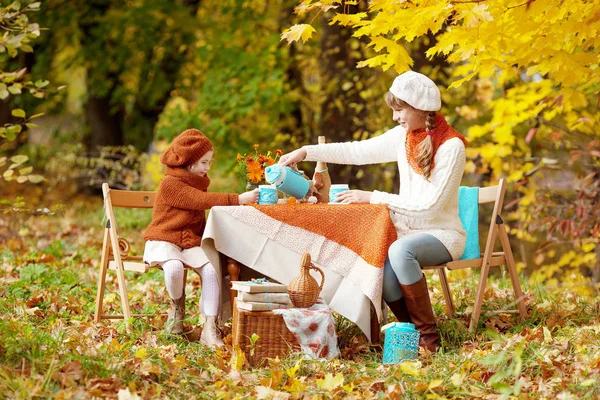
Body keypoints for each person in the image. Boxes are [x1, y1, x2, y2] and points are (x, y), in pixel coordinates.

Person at [279, 71, 467, 352]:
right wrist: (306, 152)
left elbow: (430, 206)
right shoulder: (403, 137)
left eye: (399, 109)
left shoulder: (452, 146)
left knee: (399, 251)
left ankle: (430, 340)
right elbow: (357, 152)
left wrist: (372, 197)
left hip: (443, 234)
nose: (395, 117)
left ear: (419, 108)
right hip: (406, 233)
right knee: (380, 263)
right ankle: (410, 333)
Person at [143, 128, 259, 347]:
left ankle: (209, 327)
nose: (207, 168)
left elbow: (199, 210)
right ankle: (177, 309)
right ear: (189, 162)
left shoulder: (197, 181)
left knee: (211, 269)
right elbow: (197, 201)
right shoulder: (169, 183)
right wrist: (238, 198)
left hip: (188, 241)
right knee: (175, 267)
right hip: (164, 238)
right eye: (204, 162)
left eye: (209, 162)